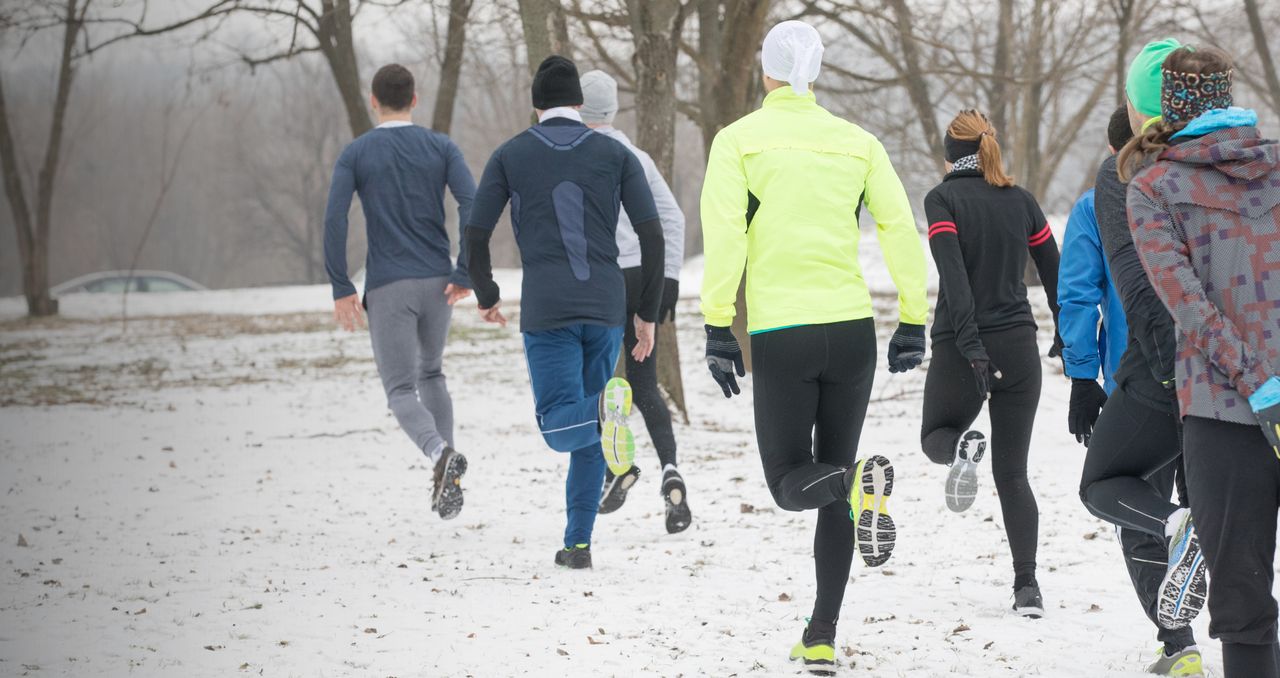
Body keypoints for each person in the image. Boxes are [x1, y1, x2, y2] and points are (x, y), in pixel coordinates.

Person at [699, 20, 928, 673]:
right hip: (852, 332)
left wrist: (718, 325)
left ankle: (857, 485)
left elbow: (726, 237)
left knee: (791, 482)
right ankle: (821, 633)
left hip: (784, 332)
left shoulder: (738, 141)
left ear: (765, 73)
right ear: (816, 72)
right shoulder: (857, 144)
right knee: (832, 480)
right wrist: (912, 318)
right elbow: (897, 225)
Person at [464, 55, 664, 570]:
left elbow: (476, 231)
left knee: (559, 426)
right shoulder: (613, 153)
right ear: (579, 101)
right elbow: (652, 233)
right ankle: (578, 546)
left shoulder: (510, 154)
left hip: (548, 310)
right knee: (599, 423)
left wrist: (486, 293)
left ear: (536, 104)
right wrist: (646, 311)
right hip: (604, 308)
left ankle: (602, 416)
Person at [1126, 44, 1280, 678]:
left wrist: (1260, 387)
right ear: (1228, 94)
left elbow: (1187, 306)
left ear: (1165, 106)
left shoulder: (1153, 187)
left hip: (1225, 415)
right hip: (1242, 407)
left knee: (1242, 605)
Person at [1080, 40, 1207, 676]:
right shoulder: (1229, 164)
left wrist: (1085, 373)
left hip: (1158, 370)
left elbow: (1120, 282)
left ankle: (1178, 643)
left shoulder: (1122, 177)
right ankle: (1190, 642)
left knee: (1112, 490)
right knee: (1219, 511)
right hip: (1238, 371)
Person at [919, 109, 1061, 618]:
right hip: (1020, 348)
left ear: (950, 154)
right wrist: (1064, 335)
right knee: (1013, 474)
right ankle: (1027, 588)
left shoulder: (943, 198)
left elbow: (954, 279)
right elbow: (1054, 273)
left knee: (936, 437)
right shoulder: (1021, 200)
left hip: (965, 348)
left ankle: (962, 447)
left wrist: (972, 346)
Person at [323, 63, 475, 521]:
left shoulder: (357, 153)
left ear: (374, 101)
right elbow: (473, 201)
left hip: (389, 284)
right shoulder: (441, 146)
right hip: (438, 280)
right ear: (414, 98)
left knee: (399, 388)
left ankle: (438, 453)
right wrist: (466, 269)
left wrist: (340, 284)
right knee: (432, 374)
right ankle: (446, 474)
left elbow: (334, 218)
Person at [578, 70, 691, 534]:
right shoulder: (638, 156)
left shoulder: (576, 155)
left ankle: (614, 468)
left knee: (599, 381)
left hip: (601, 279)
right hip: (644, 278)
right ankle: (670, 471)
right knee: (644, 384)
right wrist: (668, 283)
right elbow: (673, 217)